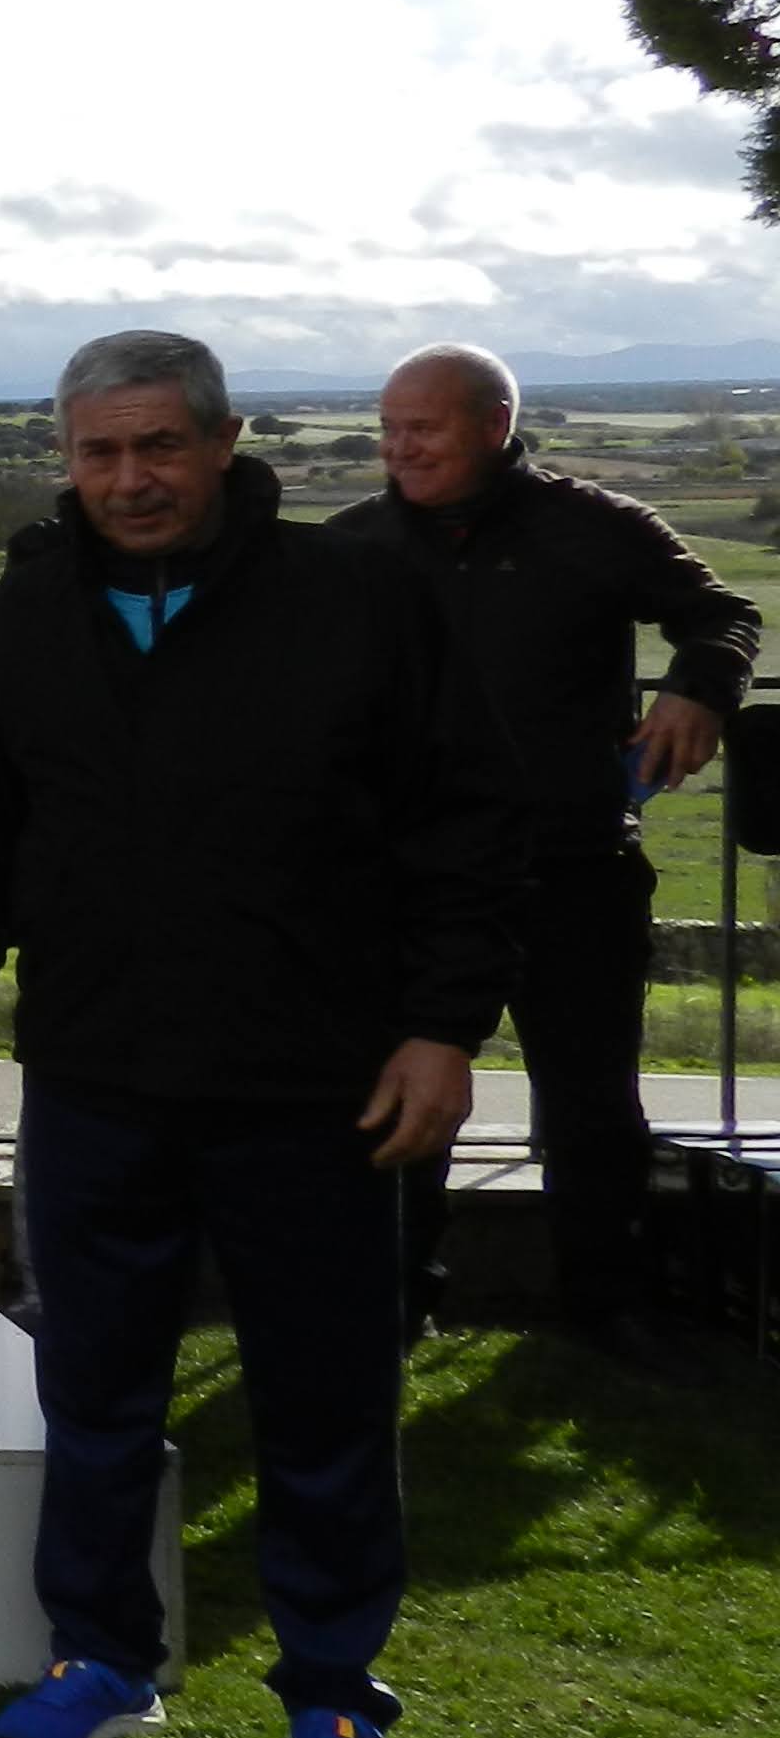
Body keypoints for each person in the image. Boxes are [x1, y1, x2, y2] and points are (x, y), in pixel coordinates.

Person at [0, 330, 519, 1738]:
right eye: (100, 452)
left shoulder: (354, 600)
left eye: (159, 448)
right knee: (97, 1394)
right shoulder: (28, 613)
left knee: (326, 1403)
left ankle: (329, 1696)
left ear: (223, 443)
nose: (130, 479)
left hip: (310, 1085)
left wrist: (443, 1026)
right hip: (101, 1077)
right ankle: (106, 1657)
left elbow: (465, 822)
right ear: (67, 457)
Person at [328, 344, 758, 1370]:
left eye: (421, 428)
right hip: (408, 881)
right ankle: (389, 1302)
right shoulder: (352, 545)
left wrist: (697, 688)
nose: (398, 447)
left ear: (490, 424)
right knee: (395, 1093)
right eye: (388, 428)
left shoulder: (596, 528)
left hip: (570, 866)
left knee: (591, 1099)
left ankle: (605, 1307)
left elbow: (722, 615)